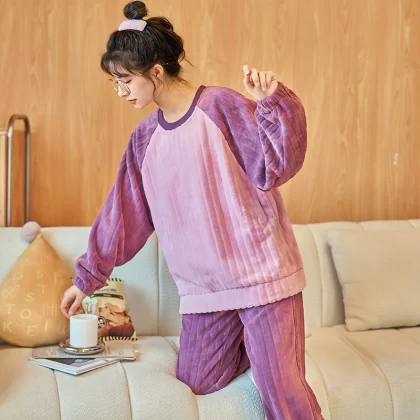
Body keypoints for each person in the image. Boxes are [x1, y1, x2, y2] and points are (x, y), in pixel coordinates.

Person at [60, 1, 323, 419]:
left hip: (262, 277)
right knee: (198, 379)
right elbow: (122, 215)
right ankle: (260, 345)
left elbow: (274, 165)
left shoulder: (220, 106)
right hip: (205, 291)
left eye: (125, 80)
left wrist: (273, 103)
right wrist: (86, 279)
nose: (121, 91)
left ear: (155, 72)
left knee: (282, 393)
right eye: (115, 83)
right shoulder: (144, 139)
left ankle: (273, 350)